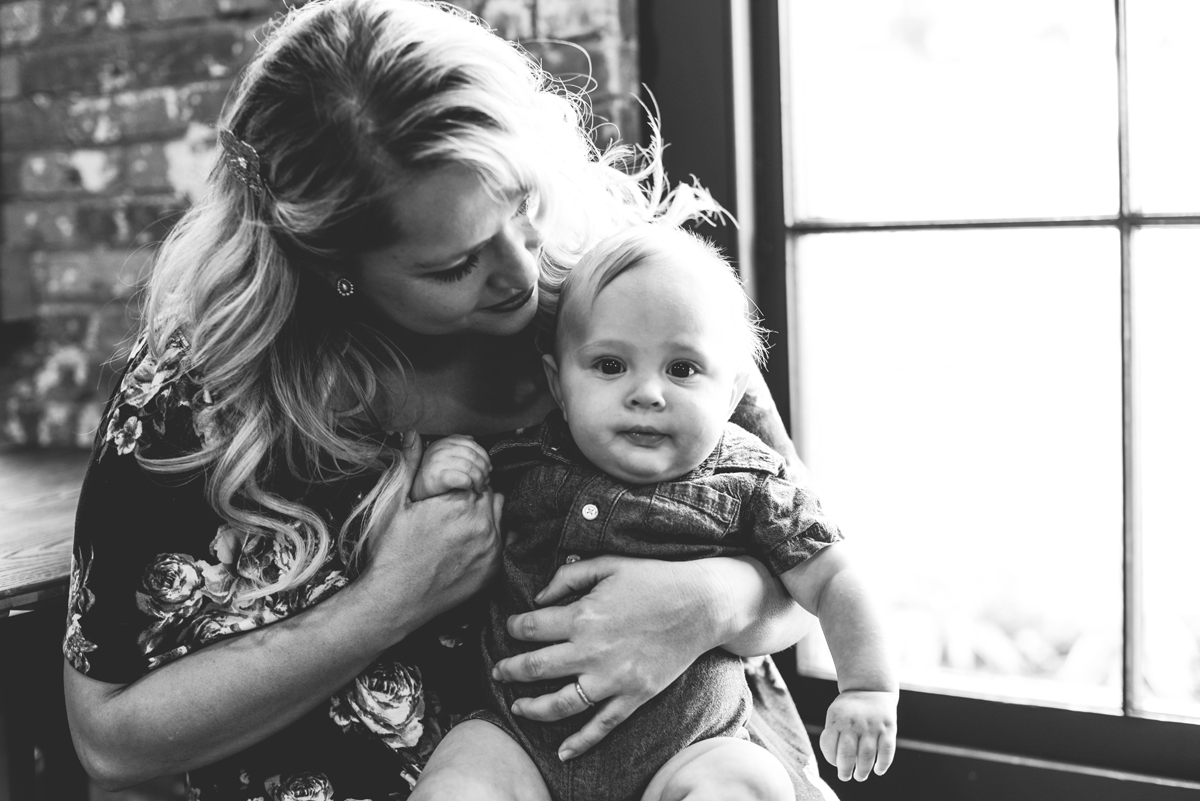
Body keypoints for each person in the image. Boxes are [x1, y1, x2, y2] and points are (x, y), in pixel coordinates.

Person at [61, 1, 841, 800]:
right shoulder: (202, 390)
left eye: (523, 204)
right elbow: (111, 742)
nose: (520, 272)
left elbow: (809, 575)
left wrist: (709, 601)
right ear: (334, 264)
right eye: (455, 264)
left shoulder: (631, 297)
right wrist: (388, 601)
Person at [408, 225, 899, 801]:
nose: (646, 392)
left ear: (734, 387)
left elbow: (835, 574)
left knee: (746, 782)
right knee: (458, 780)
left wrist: (867, 687)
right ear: (557, 384)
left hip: (691, 745)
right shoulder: (524, 454)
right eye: (611, 365)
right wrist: (446, 472)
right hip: (517, 741)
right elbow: (448, 527)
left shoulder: (751, 480)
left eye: (683, 369)